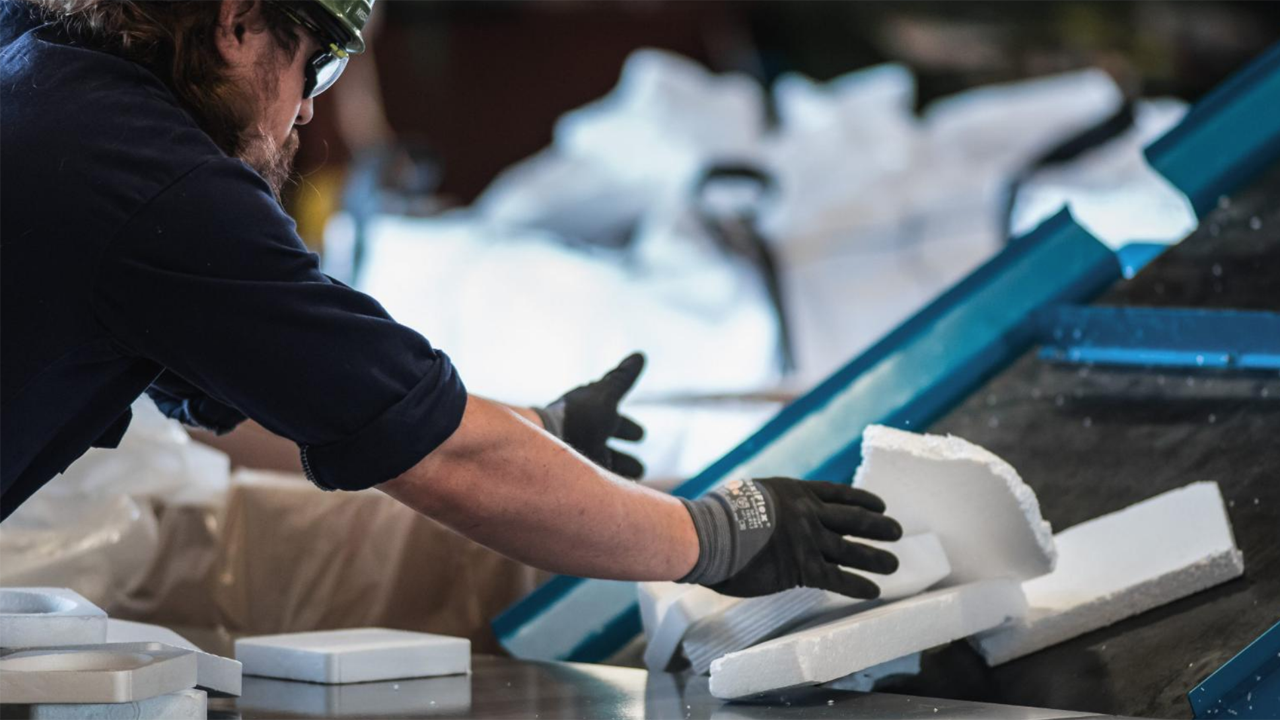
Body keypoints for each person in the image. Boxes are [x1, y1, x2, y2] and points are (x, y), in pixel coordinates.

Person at [0, 0, 901, 602]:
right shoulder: (152, 176)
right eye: (312, 66)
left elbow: (278, 395)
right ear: (237, 20)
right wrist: (717, 536)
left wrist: (536, 427)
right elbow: (439, 456)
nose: (309, 112)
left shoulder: (44, 75)